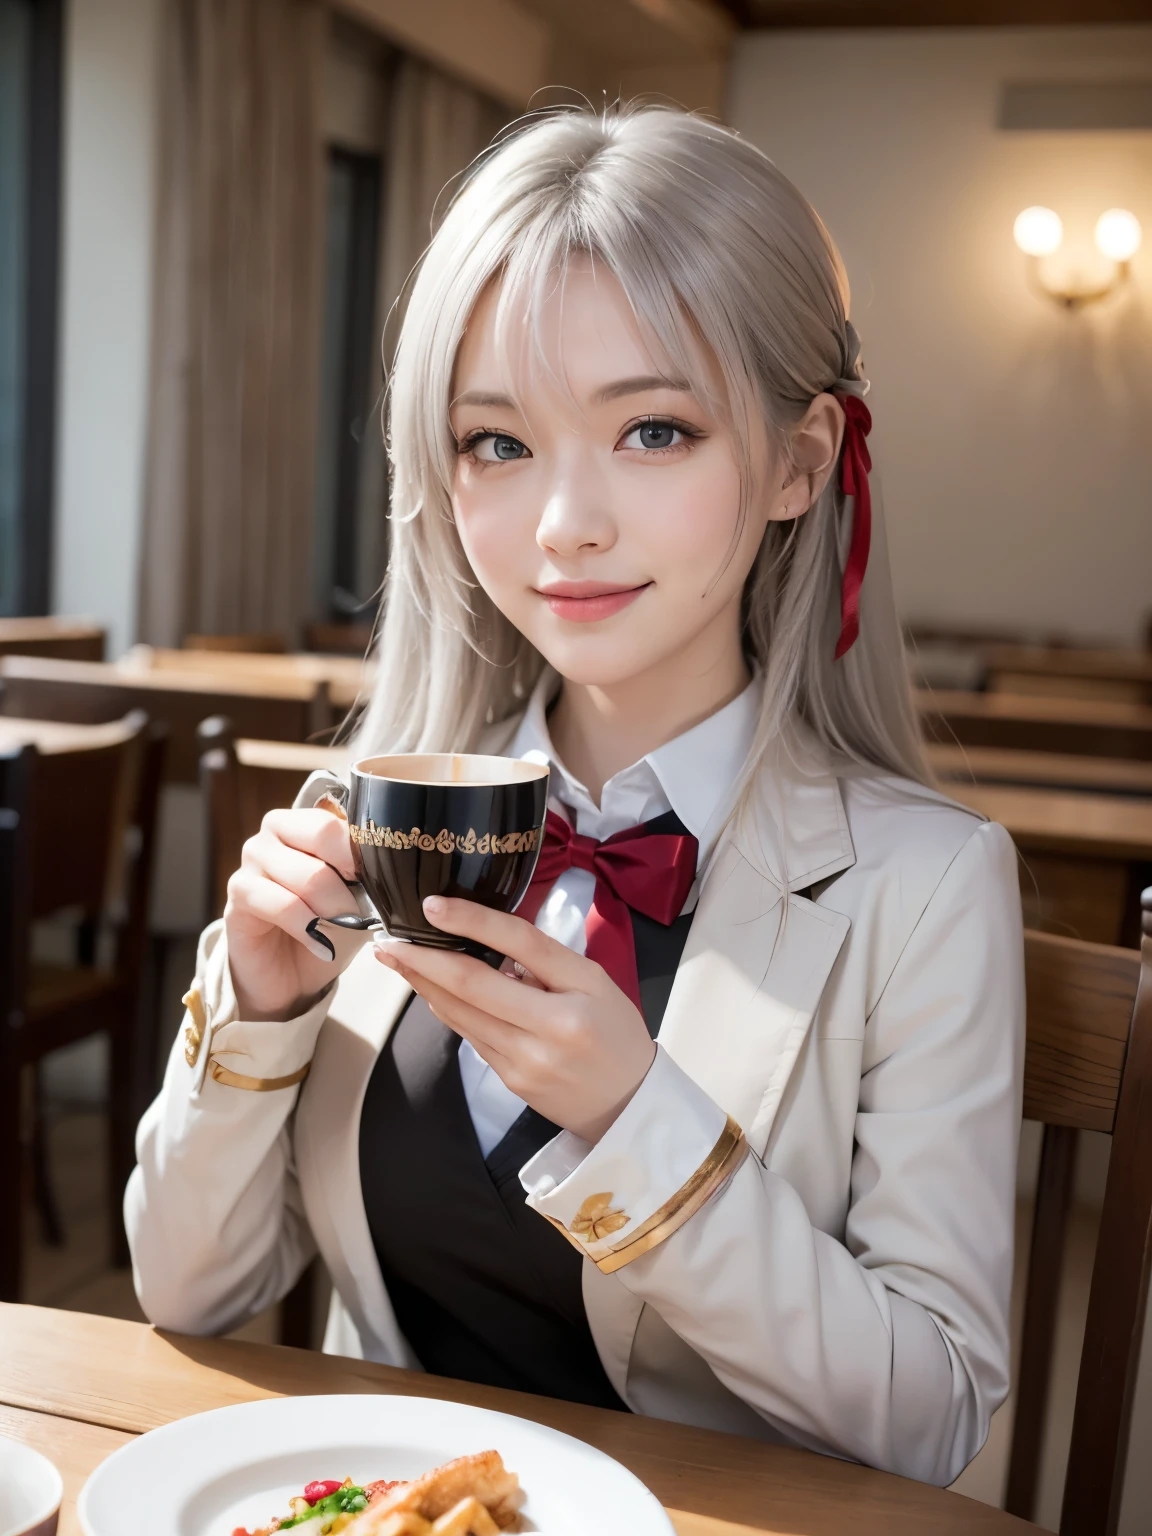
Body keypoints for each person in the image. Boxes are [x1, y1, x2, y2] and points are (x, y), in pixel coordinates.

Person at [125, 104, 1024, 1487]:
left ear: (800, 461)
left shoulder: (927, 885)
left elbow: (934, 1415)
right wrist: (257, 1012)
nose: (563, 523)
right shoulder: (368, 814)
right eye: (497, 443)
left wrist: (635, 1122)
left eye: (654, 431)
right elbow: (188, 1293)